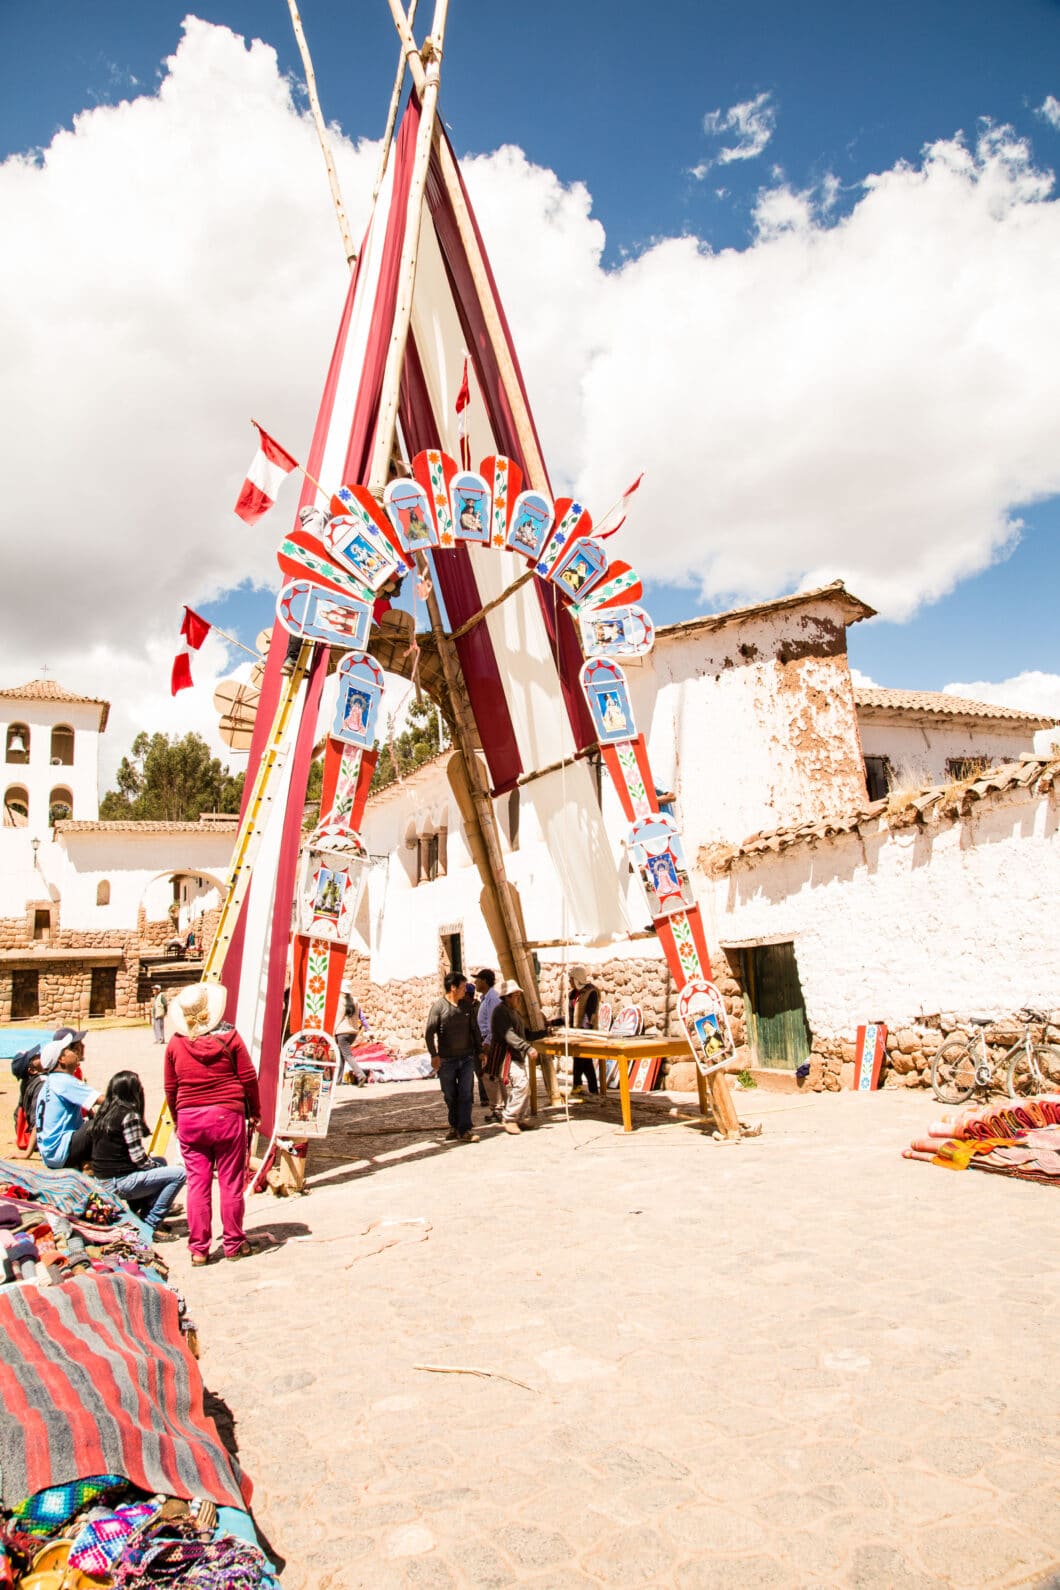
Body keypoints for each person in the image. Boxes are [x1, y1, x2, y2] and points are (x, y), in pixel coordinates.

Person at [164, 983, 261, 1265]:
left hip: (190, 1118)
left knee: (197, 1184)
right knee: (230, 1182)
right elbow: (248, 1077)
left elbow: (171, 1087)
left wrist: (177, 1118)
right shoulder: (230, 1037)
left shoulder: (175, 1044)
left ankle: (199, 1249)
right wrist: (254, 1110)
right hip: (226, 1116)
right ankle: (233, 1242)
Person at [90, 1071, 186, 1240]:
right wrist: (155, 1168)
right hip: (119, 1181)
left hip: (104, 1178)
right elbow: (139, 1159)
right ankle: (151, 1223)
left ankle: (146, 1210)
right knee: (179, 1174)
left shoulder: (104, 1112)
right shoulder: (129, 1115)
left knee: (161, 1161)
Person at [424, 973, 482, 1143]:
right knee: (450, 1094)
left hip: (466, 1058)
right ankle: (454, 1126)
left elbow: (475, 1030)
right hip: (446, 1060)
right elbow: (429, 1033)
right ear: (453, 988)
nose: (466, 990)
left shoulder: (467, 1007)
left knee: (466, 1093)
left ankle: (465, 1129)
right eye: (463, 987)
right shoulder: (438, 1007)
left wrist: (480, 1051)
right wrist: (434, 1055)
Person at [35, 1032, 99, 1169]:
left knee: (92, 1123)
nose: (74, 1052)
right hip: (60, 1152)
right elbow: (103, 1100)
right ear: (61, 1059)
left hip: (50, 1154)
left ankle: (87, 1164)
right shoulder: (63, 1081)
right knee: (101, 1124)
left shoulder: (49, 1083)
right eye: (68, 1050)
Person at [489, 979, 538, 1135]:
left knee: (525, 1088)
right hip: (506, 1055)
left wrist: (545, 1031)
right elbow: (509, 1035)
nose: (518, 999)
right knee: (521, 1084)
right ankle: (509, 1118)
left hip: (516, 1055)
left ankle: (519, 1118)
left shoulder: (514, 1013)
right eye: (516, 996)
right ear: (507, 997)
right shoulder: (500, 1012)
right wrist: (527, 1047)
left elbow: (524, 1033)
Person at [568, 964, 600, 1097]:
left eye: (571, 979)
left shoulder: (591, 992)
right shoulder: (572, 995)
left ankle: (577, 1085)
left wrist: (582, 1032)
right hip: (575, 1032)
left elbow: (590, 1014)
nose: (569, 982)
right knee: (585, 1061)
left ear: (577, 979)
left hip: (586, 1033)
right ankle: (593, 1089)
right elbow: (570, 1014)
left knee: (580, 1059)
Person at [474, 968, 502, 1117]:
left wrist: (487, 1043)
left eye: (477, 979)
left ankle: (499, 1107)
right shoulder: (485, 998)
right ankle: (496, 1107)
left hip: (490, 1040)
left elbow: (493, 1023)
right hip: (485, 1039)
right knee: (488, 1076)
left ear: (484, 981)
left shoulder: (493, 999)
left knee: (491, 1076)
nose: (475, 983)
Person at [11, 1045, 44, 1158]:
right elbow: (37, 1121)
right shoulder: (40, 1085)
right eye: (35, 1056)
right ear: (32, 1070)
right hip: (40, 1140)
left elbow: (18, 1114)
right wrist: (27, 1153)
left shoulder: (25, 1083)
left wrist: (20, 1137)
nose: (39, 1055)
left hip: (32, 1137)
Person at [335, 982, 371, 1085]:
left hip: (342, 1032)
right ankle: (338, 1080)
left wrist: (332, 1032)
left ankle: (360, 1075)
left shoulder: (340, 1002)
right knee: (341, 1055)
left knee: (347, 1055)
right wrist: (368, 1028)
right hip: (353, 1033)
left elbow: (338, 1018)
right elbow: (361, 1016)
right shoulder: (355, 1001)